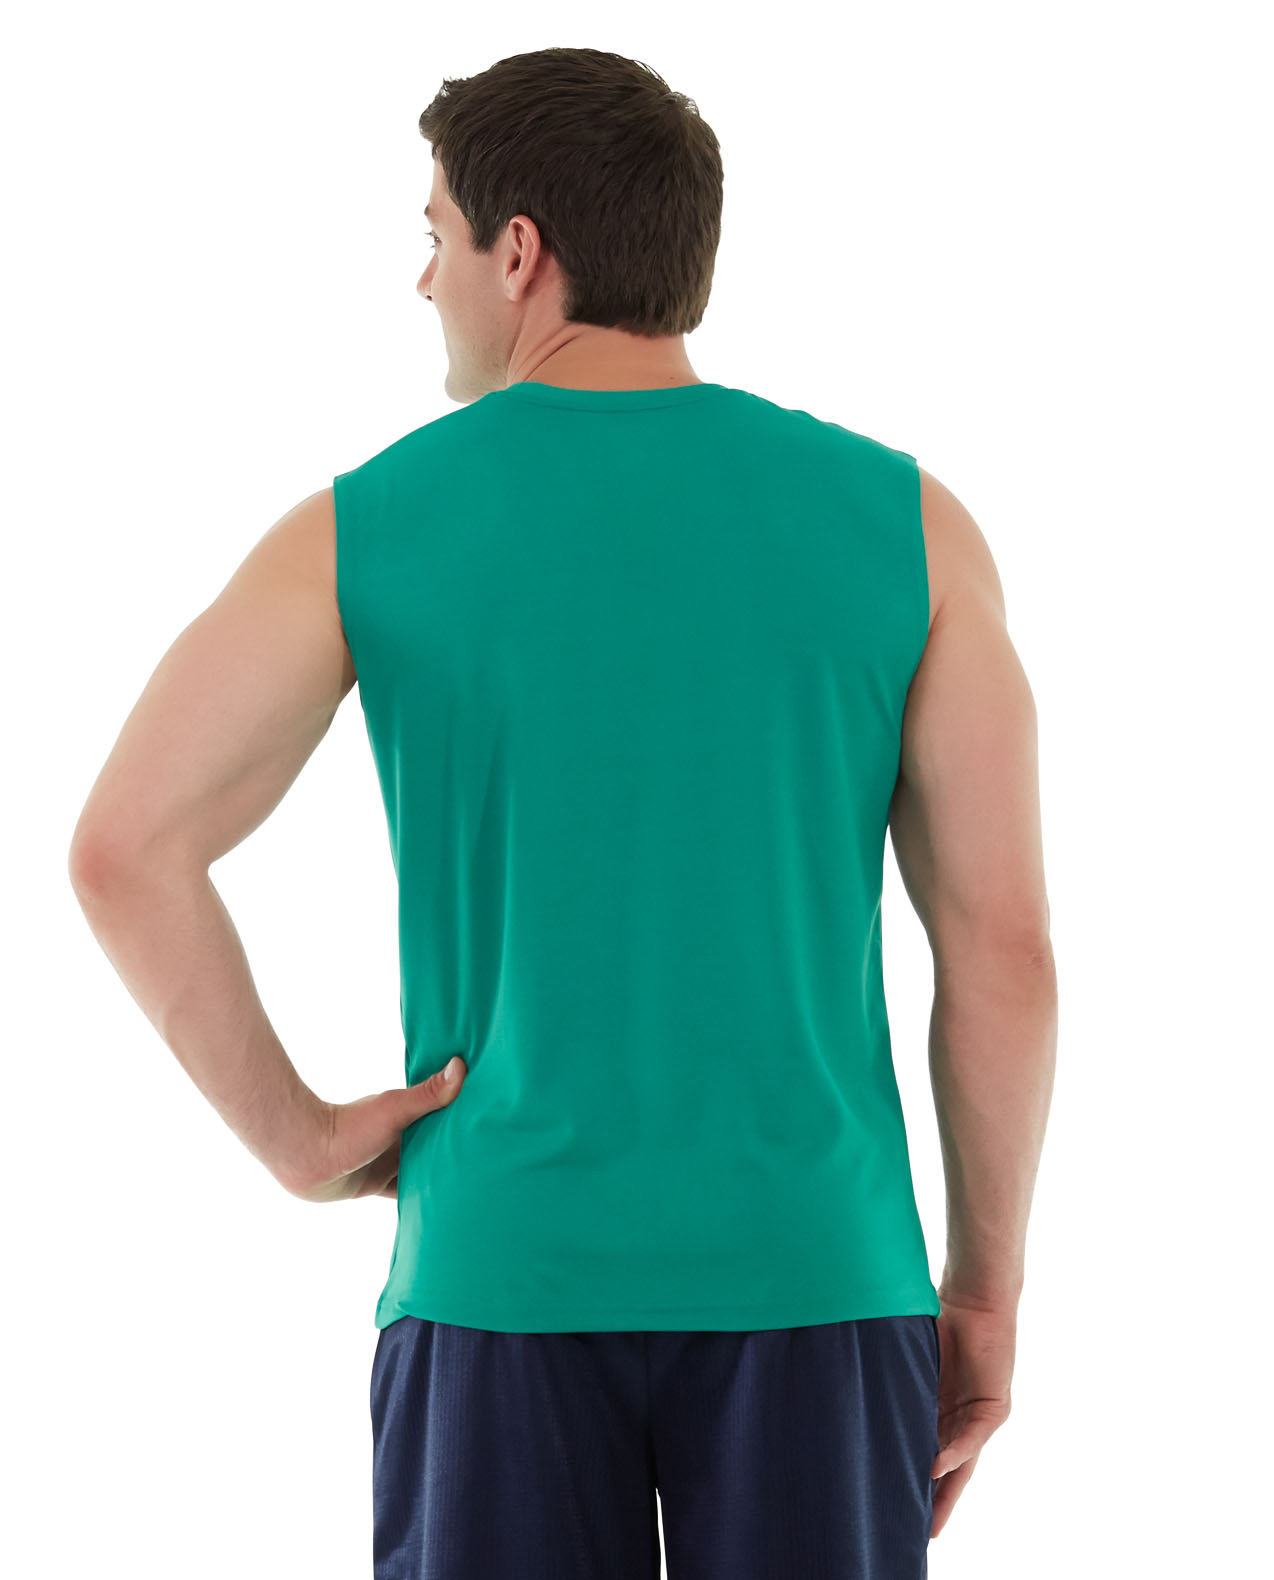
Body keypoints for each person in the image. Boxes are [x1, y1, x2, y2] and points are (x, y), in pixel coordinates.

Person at [68, 44, 1057, 1580]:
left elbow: (127, 847)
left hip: (495, 1278)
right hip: (817, 1277)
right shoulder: (908, 526)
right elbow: (999, 945)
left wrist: (301, 1142)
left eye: (435, 234)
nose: (425, 279)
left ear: (518, 252)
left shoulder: (365, 527)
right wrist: (980, 1291)